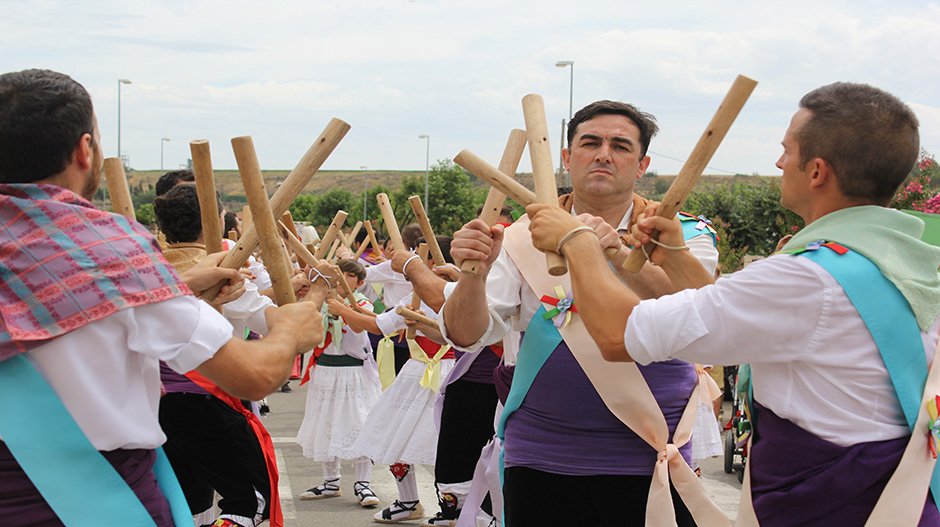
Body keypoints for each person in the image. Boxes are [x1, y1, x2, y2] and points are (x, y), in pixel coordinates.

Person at [526, 82, 940, 525]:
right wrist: (678, 261)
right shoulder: (903, 261)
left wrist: (579, 243)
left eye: (787, 150)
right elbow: (733, 326)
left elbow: (617, 336)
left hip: (831, 509)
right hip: (900, 498)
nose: (778, 163)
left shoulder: (803, 279)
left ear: (816, 171)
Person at [0, 68, 328, 527]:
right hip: (96, 503)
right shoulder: (111, 253)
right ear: (84, 151)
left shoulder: (120, 268)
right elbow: (252, 376)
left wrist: (181, 286)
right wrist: (291, 329)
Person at [442, 100, 718, 526]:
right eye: (590, 143)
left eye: (621, 146)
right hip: (541, 457)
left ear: (641, 164)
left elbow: (698, 312)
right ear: (568, 158)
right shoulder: (517, 238)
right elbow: (465, 335)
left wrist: (614, 251)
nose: (604, 154)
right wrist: (472, 276)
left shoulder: (681, 234)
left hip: (651, 453)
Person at [296, 258, 382, 508]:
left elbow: (363, 326)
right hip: (325, 370)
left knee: (359, 425)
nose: (343, 280)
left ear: (360, 282)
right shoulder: (318, 303)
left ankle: (363, 483)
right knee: (326, 423)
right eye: (339, 275)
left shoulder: (361, 303)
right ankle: (330, 481)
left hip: (353, 372)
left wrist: (343, 308)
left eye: (350, 276)